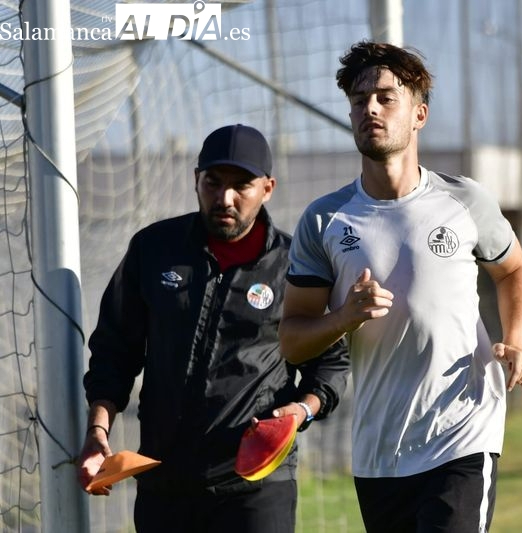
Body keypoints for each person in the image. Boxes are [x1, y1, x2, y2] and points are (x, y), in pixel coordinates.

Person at [278, 41, 522, 532]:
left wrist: (517, 343)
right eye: (358, 100)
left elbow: (515, 271)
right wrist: (343, 318)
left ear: (419, 114)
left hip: (464, 430)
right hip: (380, 450)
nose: (369, 108)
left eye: (384, 97)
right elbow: (292, 341)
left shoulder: (464, 200)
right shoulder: (324, 219)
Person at [78, 124, 349, 533]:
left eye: (242, 185)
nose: (225, 198)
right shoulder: (153, 249)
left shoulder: (294, 265)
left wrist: (299, 412)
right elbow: (114, 352)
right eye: (213, 182)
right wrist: (98, 431)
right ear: (196, 180)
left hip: (256, 487)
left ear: (268, 188)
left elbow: (331, 363)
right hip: (164, 482)